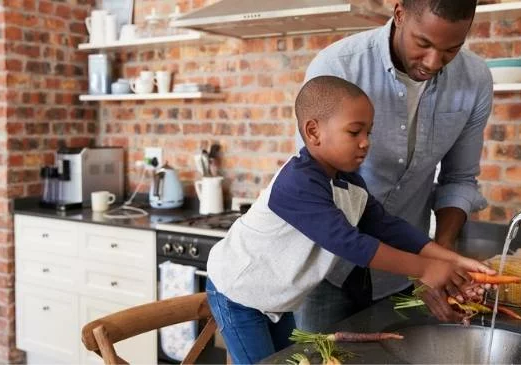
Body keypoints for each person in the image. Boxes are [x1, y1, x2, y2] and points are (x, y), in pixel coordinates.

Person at [205, 75, 495, 364]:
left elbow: (386, 226)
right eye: (355, 132)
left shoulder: (349, 183)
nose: (365, 143)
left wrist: (451, 260)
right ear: (313, 132)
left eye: (369, 132)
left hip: (274, 299)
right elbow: (350, 244)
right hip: (239, 294)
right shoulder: (297, 183)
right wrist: (426, 268)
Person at [294, 0, 494, 330]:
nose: (433, 62)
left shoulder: (475, 80)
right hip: (326, 269)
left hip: (400, 276)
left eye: (451, 49)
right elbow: (319, 190)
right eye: (423, 43)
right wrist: (424, 266)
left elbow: (459, 179)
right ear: (399, 14)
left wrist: (440, 257)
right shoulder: (338, 67)